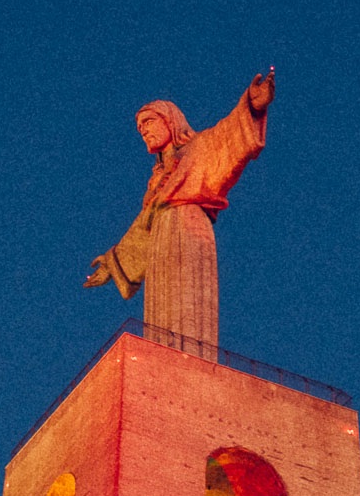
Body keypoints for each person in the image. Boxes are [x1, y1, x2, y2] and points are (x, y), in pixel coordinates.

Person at [84, 70, 275, 354]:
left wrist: (252, 105)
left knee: (189, 309)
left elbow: (230, 133)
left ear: (170, 121)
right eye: (140, 127)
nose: (144, 130)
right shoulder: (157, 181)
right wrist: (113, 263)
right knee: (160, 311)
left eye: (149, 122)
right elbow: (145, 224)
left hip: (188, 229)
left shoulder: (200, 148)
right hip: (161, 242)